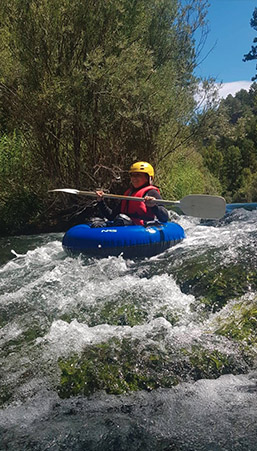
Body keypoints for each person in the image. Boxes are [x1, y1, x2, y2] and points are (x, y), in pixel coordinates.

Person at [93, 161, 169, 227]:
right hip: (125, 224)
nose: (134, 178)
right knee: (97, 223)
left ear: (149, 178)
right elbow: (111, 216)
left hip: (141, 229)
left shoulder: (152, 192)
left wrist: (153, 206)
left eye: (138, 175)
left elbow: (164, 217)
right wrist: (100, 201)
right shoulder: (129, 194)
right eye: (132, 175)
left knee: (122, 220)